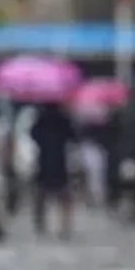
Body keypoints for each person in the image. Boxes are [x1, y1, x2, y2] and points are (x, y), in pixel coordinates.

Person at [29, 101, 78, 238]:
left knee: (41, 193)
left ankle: (40, 223)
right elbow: (73, 136)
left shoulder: (40, 118)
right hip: (59, 160)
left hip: (44, 159)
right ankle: (65, 225)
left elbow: (33, 135)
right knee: (63, 194)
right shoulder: (63, 119)